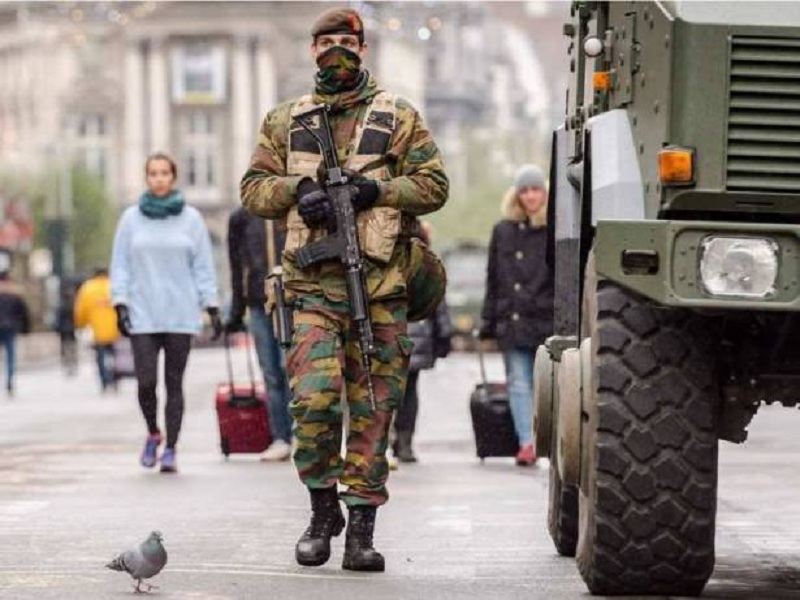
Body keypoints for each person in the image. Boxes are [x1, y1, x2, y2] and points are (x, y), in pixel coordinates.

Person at [240, 7, 448, 572]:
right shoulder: (286, 120)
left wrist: (376, 191)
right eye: (327, 41)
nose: (337, 50)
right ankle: (321, 510)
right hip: (310, 289)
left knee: (374, 410)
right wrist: (298, 190)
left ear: (363, 49)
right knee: (312, 403)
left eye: (347, 42)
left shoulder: (397, 116)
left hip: (380, 288)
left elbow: (434, 186)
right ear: (312, 50)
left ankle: (361, 528)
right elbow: (253, 190)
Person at [111, 152, 221, 474]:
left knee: (174, 384)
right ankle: (153, 433)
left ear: (173, 177)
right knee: (146, 382)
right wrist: (120, 303)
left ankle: (171, 448)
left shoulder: (192, 219)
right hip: (143, 313)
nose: (159, 178)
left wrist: (211, 305)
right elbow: (121, 264)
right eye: (153, 173)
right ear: (146, 178)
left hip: (180, 314)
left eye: (164, 173)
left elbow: (202, 266)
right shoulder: (130, 219)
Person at [479, 164, 554, 467]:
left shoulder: (554, 230)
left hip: (545, 321)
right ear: (517, 195)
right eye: (525, 191)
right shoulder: (503, 231)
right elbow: (493, 279)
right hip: (512, 320)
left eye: (536, 190)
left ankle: (547, 441)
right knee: (519, 383)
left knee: (547, 386)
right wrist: (487, 323)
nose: (531, 196)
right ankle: (527, 443)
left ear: (545, 193)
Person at [225, 206, 293, 461]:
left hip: (292, 300)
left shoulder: (291, 207)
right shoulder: (241, 217)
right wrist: (236, 311)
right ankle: (280, 437)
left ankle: (301, 434)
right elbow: (236, 266)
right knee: (271, 373)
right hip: (258, 301)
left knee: (291, 368)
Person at [392, 223, 452, 463]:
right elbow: (438, 301)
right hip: (417, 338)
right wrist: (444, 337)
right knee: (408, 393)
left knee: (384, 391)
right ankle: (404, 442)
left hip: (391, 335)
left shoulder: (383, 257)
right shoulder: (426, 261)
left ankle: (389, 440)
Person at [74, 267, 120, 392]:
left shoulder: (88, 288)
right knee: (115, 356)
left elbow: (81, 310)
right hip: (116, 330)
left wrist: (81, 324)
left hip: (97, 331)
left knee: (100, 357)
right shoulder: (114, 286)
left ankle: (104, 381)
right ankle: (115, 378)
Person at [0, 272, 29, 396]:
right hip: (10, 329)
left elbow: (23, 314)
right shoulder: (15, 296)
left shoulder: (15, 297)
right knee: (10, 357)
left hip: (9, 329)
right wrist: (25, 329)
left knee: (10, 357)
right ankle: (9, 382)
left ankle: (10, 382)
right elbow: (23, 314)